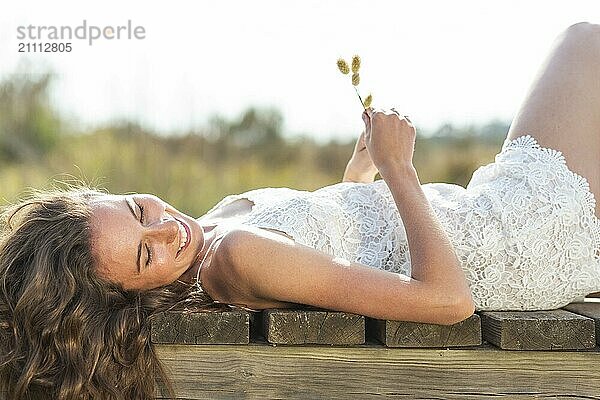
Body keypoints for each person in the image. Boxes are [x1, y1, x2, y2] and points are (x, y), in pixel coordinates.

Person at [1, 21, 599, 400]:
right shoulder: (233, 258)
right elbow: (448, 301)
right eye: (143, 253)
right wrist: (399, 170)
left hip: (483, 217)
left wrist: (360, 172)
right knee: (583, 43)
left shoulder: (215, 233)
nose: (164, 229)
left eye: (137, 209)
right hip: (514, 237)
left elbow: (338, 252)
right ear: (131, 296)